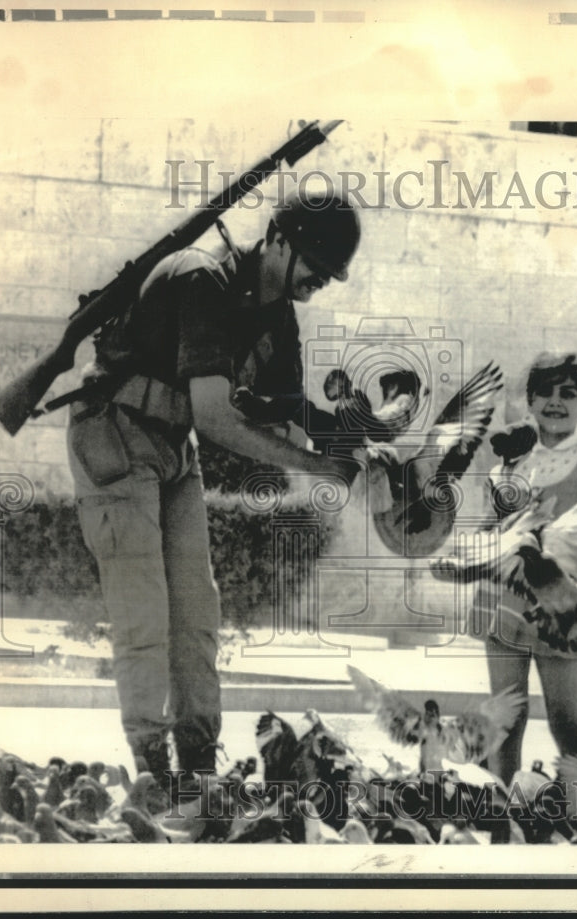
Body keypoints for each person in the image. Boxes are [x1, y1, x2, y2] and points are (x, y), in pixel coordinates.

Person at [65, 189, 362, 788]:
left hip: (172, 449)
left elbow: (284, 407)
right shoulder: (206, 279)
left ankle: (198, 763)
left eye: (328, 276)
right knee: (144, 610)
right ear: (278, 240)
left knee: (198, 611)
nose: (318, 282)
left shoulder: (277, 310)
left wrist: (359, 443)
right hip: (116, 436)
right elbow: (218, 417)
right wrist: (315, 466)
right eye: (313, 265)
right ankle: (151, 765)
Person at [476, 350, 577, 786]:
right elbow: (491, 526)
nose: (555, 402)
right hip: (505, 595)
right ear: (530, 400)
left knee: (566, 716)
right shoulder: (513, 458)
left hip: (562, 600)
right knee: (506, 712)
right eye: (544, 392)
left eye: (569, 393)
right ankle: (504, 807)